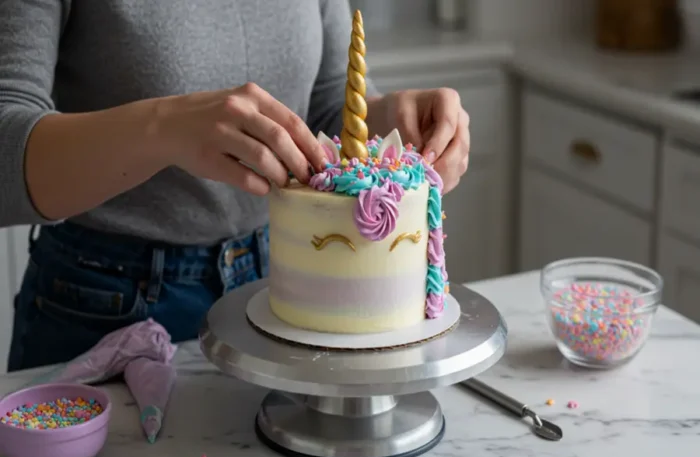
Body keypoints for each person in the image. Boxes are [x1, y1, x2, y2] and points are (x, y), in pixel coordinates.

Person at [0, 0, 471, 372]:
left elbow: (323, 111)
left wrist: (391, 119)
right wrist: (162, 127)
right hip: (102, 305)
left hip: (282, 292)